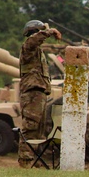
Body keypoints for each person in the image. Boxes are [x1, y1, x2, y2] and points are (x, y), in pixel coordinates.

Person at [18, 20, 61, 167]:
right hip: (32, 94)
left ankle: (34, 161)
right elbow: (34, 40)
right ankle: (25, 162)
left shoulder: (37, 52)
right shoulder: (28, 47)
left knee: (39, 131)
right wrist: (49, 31)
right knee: (30, 128)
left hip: (39, 94)